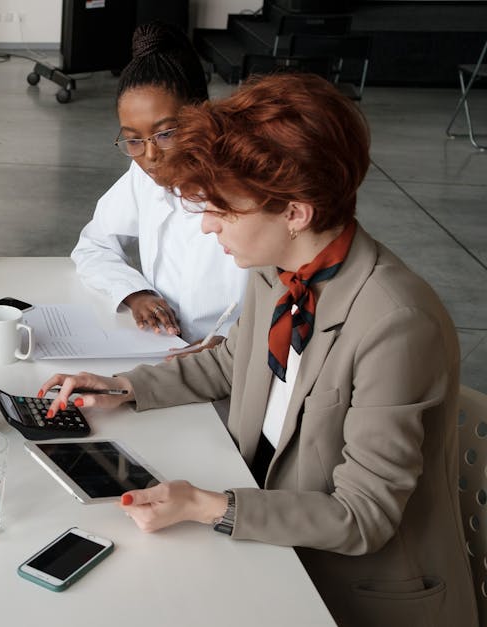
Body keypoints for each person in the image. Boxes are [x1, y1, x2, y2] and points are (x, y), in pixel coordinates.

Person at [42, 74, 477, 626]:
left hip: (349, 592)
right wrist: (125, 387)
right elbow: (235, 360)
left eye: (223, 210)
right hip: (267, 535)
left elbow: (362, 516)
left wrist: (207, 505)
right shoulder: (277, 266)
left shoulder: (396, 323)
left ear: (296, 213)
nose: (206, 226)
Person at [70, 22, 246, 351]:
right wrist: (135, 293)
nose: (150, 155)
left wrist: (232, 346)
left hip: (236, 363)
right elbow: (94, 245)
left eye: (166, 134)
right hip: (163, 350)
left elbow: (290, 296)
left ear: (201, 114)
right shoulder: (144, 177)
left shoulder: (250, 184)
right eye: (134, 140)